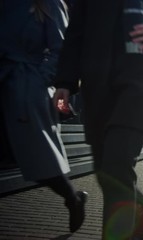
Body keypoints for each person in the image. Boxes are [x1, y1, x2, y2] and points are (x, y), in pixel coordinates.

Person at [52, 0, 143, 239]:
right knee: (106, 173)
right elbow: (75, 36)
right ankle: (139, 204)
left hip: (140, 85)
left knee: (116, 165)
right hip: (97, 88)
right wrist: (64, 84)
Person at [0, 0, 87, 233]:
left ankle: (73, 198)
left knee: (37, 158)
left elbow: (63, 49)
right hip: (6, 82)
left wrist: (40, 80)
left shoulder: (49, 4)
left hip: (26, 88)